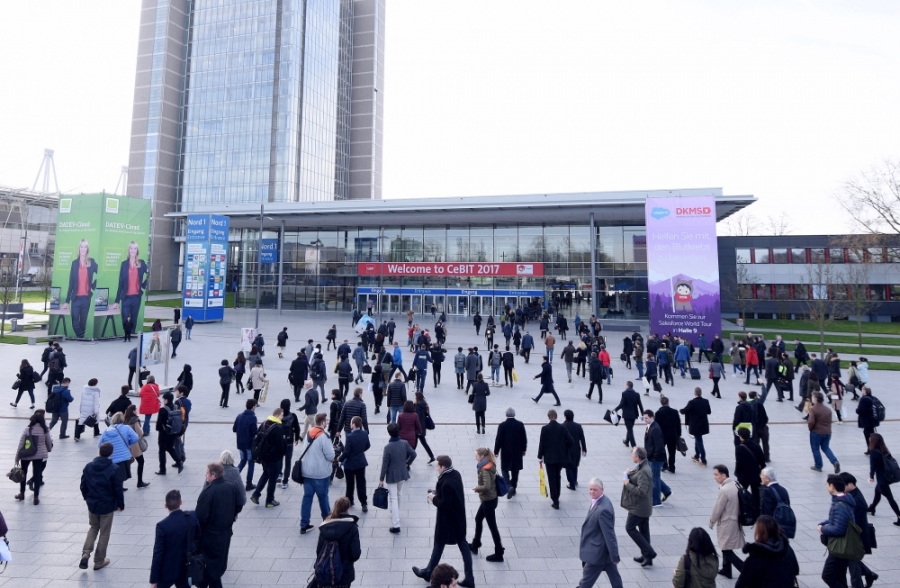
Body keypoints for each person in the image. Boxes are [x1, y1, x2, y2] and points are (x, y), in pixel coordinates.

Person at [412, 455, 475, 588]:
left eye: (437, 466)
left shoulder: (446, 483)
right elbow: (452, 494)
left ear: (443, 467)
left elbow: (445, 504)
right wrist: (437, 492)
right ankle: (469, 578)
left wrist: (433, 498)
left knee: (439, 543)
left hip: (447, 522)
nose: (436, 468)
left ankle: (428, 573)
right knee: (463, 545)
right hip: (459, 519)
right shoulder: (455, 474)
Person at [196, 462, 243, 588]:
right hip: (225, 534)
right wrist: (231, 517)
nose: (205, 475)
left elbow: (200, 517)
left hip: (210, 536)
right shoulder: (231, 487)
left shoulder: (208, 492)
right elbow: (239, 503)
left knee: (208, 571)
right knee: (217, 567)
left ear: (213, 475)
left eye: (207, 473)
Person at [79, 442, 124, 571]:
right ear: (112, 453)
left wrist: (87, 497)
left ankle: (86, 553)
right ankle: (99, 561)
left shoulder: (89, 467)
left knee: (93, 527)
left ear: (99, 451)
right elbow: (118, 489)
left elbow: (83, 485)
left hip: (92, 504)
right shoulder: (114, 469)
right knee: (104, 533)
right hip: (107, 505)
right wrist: (120, 504)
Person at [149, 489, 200, 588]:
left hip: (168, 570)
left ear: (166, 505)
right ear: (181, 502)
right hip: (186, 566)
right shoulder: (192, 516)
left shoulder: (162, 526)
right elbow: (198, 535)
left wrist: (153, 580)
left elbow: (158, 553)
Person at [734, 515, 800, 588]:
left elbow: (742, 583)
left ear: (759, 533)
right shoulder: (787, 549)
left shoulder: (757, 557)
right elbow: (796, 570)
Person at [818, 474, 858, 588]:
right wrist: (823, 523)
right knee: (839, 576)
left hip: (840, 548)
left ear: (832, 486)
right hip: (845, 546)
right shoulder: (843, 499)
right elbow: (837, 519)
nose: (826, 486)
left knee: (828, 576)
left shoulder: (839, 505)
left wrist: (822, 529)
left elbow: (839, 529)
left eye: (827, 484)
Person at [300, 413, 336, 534]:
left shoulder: (309, 433)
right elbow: (330, 455)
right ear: (323, 422)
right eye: (326, 421)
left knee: (307, 498)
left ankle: (304, 524)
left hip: (307, 472)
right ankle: (327, 522)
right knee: (323, 498)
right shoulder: (324, 437)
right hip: (321, 474)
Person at [841, 472, 878, 588]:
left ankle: (860, 584)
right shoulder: (852, 495)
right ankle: (869, 574)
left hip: (856, 539)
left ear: (850, 484)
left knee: (854, 568)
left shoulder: (856, 501)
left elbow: (854, 523)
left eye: (842, 485)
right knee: (851, 561)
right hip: (854, 537)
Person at [468, 447, 505, 562]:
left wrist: (476, 489)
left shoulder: (485, 469)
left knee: (492, 527)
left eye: (476, 456)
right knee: (478, 519)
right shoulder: (489, 463)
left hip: (488, 500)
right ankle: (475, 544)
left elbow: (487, 486)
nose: (475, 457)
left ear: (482, 456)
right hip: (490, 499)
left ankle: (499, 553)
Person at [378, 422, 416, 534]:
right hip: (402, 473)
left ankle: (396, 524)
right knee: (399, 495)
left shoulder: (388, 447)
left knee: (393, 498)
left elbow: (385, 465)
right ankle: (396, 513)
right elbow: (413, 454)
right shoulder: (404, 443)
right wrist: (407, 463)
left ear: (389, 433)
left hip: (392, 475)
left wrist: (381, 479)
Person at [315, 497, 361, 586]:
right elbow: (355, 554)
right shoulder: (352, 527)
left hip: (327, 573)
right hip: (345, 573)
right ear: (347, 508)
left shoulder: (325, 527)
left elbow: (319, 551)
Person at [709, 464, 745, 578]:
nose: (714, 477)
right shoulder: (735, 484)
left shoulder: (724, 490)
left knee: (726, 550)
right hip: (735, 520)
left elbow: (718, 508)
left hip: (727, 522)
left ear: (723, 475)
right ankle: (726, 569)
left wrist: (711, 522)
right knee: (726, 546)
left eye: (716, 475)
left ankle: (744, 569)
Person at [622, 446, 655, 566]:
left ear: (638, 457)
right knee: (644, 531)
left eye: (633, 455)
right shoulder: (642, 466)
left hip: (639, 508)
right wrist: (629, 474)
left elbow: (641, 491)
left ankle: (650, 552)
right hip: (643, 507)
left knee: (629, 527)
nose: (631, 456)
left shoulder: (644, 470)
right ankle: (647, 557)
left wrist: (627, 484)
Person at [249, 407, 287, 508]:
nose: (282, 417)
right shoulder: (278, 428)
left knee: (265, 474)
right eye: (282, 415)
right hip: (274, 458)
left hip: (263, 456)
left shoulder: (264, 424)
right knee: (272, 479)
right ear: (277, 415)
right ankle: (269, 500)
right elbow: (282, 445)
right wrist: (283, 454)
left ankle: (255, 494)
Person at [14, 409, 53, 505]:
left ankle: (22, 493)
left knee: (23, 474)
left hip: (26, 455)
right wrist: (48, 449)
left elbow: (21, 444)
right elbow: (49, 442)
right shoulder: (45, 430)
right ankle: (36, 497)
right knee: (37, 475)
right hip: (39, 456)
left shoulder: (27, 430)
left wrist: (17, 458)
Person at [537, 409, 574, 510]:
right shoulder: (562, 428)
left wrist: (540, 456)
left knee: (551, 478)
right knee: (558, 476)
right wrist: (564, 448)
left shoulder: (545, 429)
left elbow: (542, 443)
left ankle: (555, 499)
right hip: (560, 458)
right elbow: (571, 441)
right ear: (556, 417)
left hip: (549, 458)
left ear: (548, 417)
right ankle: (557, 495)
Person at [62, 238, 98, 339]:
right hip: (76, 299)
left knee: (83, 322)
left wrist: (93, 287)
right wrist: (67, 301)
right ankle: (82, 338)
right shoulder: (74, 264)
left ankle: (81, 340)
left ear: (87, 249)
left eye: (85, 247)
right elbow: (71, 283)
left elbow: (101, 274)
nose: (83, 249)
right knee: (75, 322)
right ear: (79, 248)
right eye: (81, 246)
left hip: (86, 299)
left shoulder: (91, 262)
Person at [99, 412, 139, 487]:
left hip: (111, 458)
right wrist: (128, 443)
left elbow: (100, 444)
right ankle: (120, 488)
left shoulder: (106, 431)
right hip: (124, 457)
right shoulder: (126, 428)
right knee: (121, 476)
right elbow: (135, 437)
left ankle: (115, 487)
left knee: (113, 476)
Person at [867, 432, 900, 524]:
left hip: (882, 479)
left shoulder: (874, 452)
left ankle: (899, 515)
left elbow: (873, 466)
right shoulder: (884, 450)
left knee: (890, 498)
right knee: (877, 491)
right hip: (888, 477)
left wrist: (871, 476)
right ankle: (872, 507)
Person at [642, 409, 672, 506]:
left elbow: (659, 446)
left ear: (652, 417)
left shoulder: (655, 429)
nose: (645, 420)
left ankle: (656, 501)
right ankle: (666, 490)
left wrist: (653, 457)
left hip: (656, 459)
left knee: (654, 479)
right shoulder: (650, 426)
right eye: (644, 418)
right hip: (651, 457)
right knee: (654, 477)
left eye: (646, 418)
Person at [809, 391, 841, 474]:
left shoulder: (813, 409)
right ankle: (835, 462)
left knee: (815, 448)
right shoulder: (827, 409)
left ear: (815, 399)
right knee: (826, 447)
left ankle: (818, 466)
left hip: (816, 432)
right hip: (827, 432)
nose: (811, 398)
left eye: (812, 397)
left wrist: (810, 428)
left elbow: (811, 422)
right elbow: (829, 421)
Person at [343, 416, 370, 512]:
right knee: (361, 483)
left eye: (351, 423)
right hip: (361, 462)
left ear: (354, 424)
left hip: (350, 464)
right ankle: (364, 503)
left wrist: (339, 458)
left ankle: (350, 500)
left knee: (350, 484)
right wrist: (360, 452)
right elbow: (368, 445)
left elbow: (346, 452)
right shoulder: (365, 433)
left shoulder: (350, 437)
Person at [735, 428, 765, 510]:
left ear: (741, 436)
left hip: (744, 475)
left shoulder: (739, 448)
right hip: (756, 475)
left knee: (742, 493)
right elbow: (762, 461)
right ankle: (757, 511)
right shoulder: (757, 446)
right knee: (756, 495)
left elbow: (739, 463)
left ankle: (743, 510)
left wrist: (737, 472)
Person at [154, 392, 183, 476]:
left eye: (164, 399)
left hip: (164, 434)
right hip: (173, 432)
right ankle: (179, 461)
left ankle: (162, 469)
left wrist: (159, 430)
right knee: (170, 447)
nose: (163, 401)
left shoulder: (163, 410)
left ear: (166, 400)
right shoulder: (176, 407)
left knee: (162, 451)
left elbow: (159, 423)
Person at [232, 398, 258, 490]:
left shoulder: (239, 416)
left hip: (240, 443)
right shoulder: (253, 417)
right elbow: (254, 431)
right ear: (253, 407)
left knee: (243, 461)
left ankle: (232, 477)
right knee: (251, 463)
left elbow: (234, 429)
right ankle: (249, 484)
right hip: (249, 444)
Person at [681, 387, 711, 466]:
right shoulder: (706, 401)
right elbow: (709, 411)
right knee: (697, 439)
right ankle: (696, 455)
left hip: (695, 425)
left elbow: (684, 411)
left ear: (694, 393)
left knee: (699, 440)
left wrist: (681, 410)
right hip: (703, 424)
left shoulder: (692, 402)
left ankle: (703, 459)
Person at [123, 405, 150, 489]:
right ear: (133, 411)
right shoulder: (135, 420)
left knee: (126, 463)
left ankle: (120, 483)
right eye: (136, 409)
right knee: (141, 461)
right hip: (135, 444)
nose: (137, 410)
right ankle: (139, 481)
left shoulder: (125, 420)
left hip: (127, 444)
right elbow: (140, 433)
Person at [655, 396, 682, 473]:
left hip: (662, 436)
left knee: (662, 451)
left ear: (661, 403)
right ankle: (672, 467)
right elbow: (678, 424)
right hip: (673, 436)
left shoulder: (658, 413)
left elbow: (656, 426)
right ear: (668, 402)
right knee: (672, 452)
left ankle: (664, 465)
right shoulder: (674, 412)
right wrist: (679, 434)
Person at [562, 409, 587, 490]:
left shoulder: (563, 426)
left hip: (566, 449)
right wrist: (584, 449)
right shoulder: (578, 426)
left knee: (568, 466)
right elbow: (582, 439)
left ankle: (571, 483)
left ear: (565, 417)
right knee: (575, 465)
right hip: (576, 449)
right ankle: (575, 480)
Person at [615, 381, 643, 448]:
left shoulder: (624, 393)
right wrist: (643, 413)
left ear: (627, 386)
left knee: (630, 430)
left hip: (627, 414)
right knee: (630, 428)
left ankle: (634, 446)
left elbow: (622, 404)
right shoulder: (637, 394)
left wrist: (615, 409)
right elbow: (640, 405)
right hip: (634, 414)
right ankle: (627, 441)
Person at [414, 391, 436, 463]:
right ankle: (431, 456)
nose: (414, 397)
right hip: (423, 426)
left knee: (415, 443)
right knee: (422, 442)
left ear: (417, 397)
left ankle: (409, 457)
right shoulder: (425, 404)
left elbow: (417, 417)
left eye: (415, 396)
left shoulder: (418, 406)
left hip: (418, 427)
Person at [857, 386, 877, 452]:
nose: (862, 391)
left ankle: (870, 449)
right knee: (872, 434)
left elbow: (861, 410)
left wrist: (857, 410)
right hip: (872, 420)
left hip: (866, 420)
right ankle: (873, 448)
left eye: (862, 390)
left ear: (865, 392)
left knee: (867, 434)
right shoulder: (873, 398)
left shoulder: (864, 399)